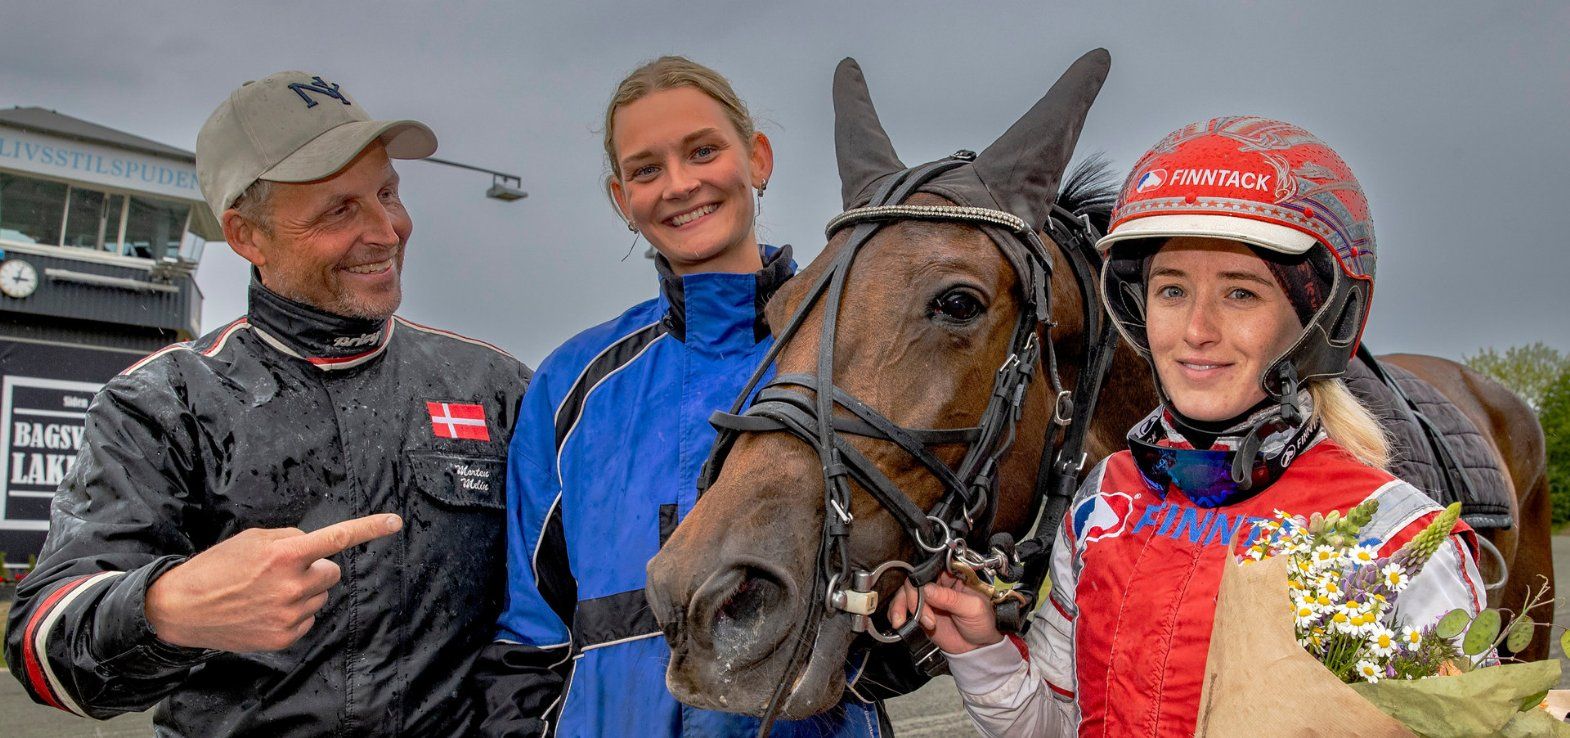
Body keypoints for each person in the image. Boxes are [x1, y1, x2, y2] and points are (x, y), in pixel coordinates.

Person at [890, 116, 1487, 736]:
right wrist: (981, 653)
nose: (1196, 329)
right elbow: (1060, 723)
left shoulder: (1399, 542)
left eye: (1241, 294)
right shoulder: (1104, 503)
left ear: (1314, 321)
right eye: (1172, 291)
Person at [3, 71, 530, 735]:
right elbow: (42, 646)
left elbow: (556, 618)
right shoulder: (162, 403)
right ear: (246, 236)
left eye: (387, 192)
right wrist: (168, 608)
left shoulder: (497, 386)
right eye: (339, 209)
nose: (386, 230)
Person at [474, 56, 889, 737]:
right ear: (621, 199)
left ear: (757, 159)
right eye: (646, 169)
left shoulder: (850, 352)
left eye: (703, 151)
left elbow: (915, 607)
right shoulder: (570, 386)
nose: (679, 184)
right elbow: (528, 638)